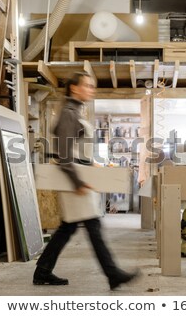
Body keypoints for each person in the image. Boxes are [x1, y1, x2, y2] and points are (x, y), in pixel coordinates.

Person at [33, 72, 139, 290]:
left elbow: (75, 148)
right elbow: (64, 155)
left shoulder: (74, 111)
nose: (91, 89)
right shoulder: (69, 113)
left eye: (93, 86)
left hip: (79, 174)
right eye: (87, 86)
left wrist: (92, 164)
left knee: (68, 228)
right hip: (73, 178)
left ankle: (42, 271)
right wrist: (78, 182)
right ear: (74, 88)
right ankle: (113, 274)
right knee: (93, 226)